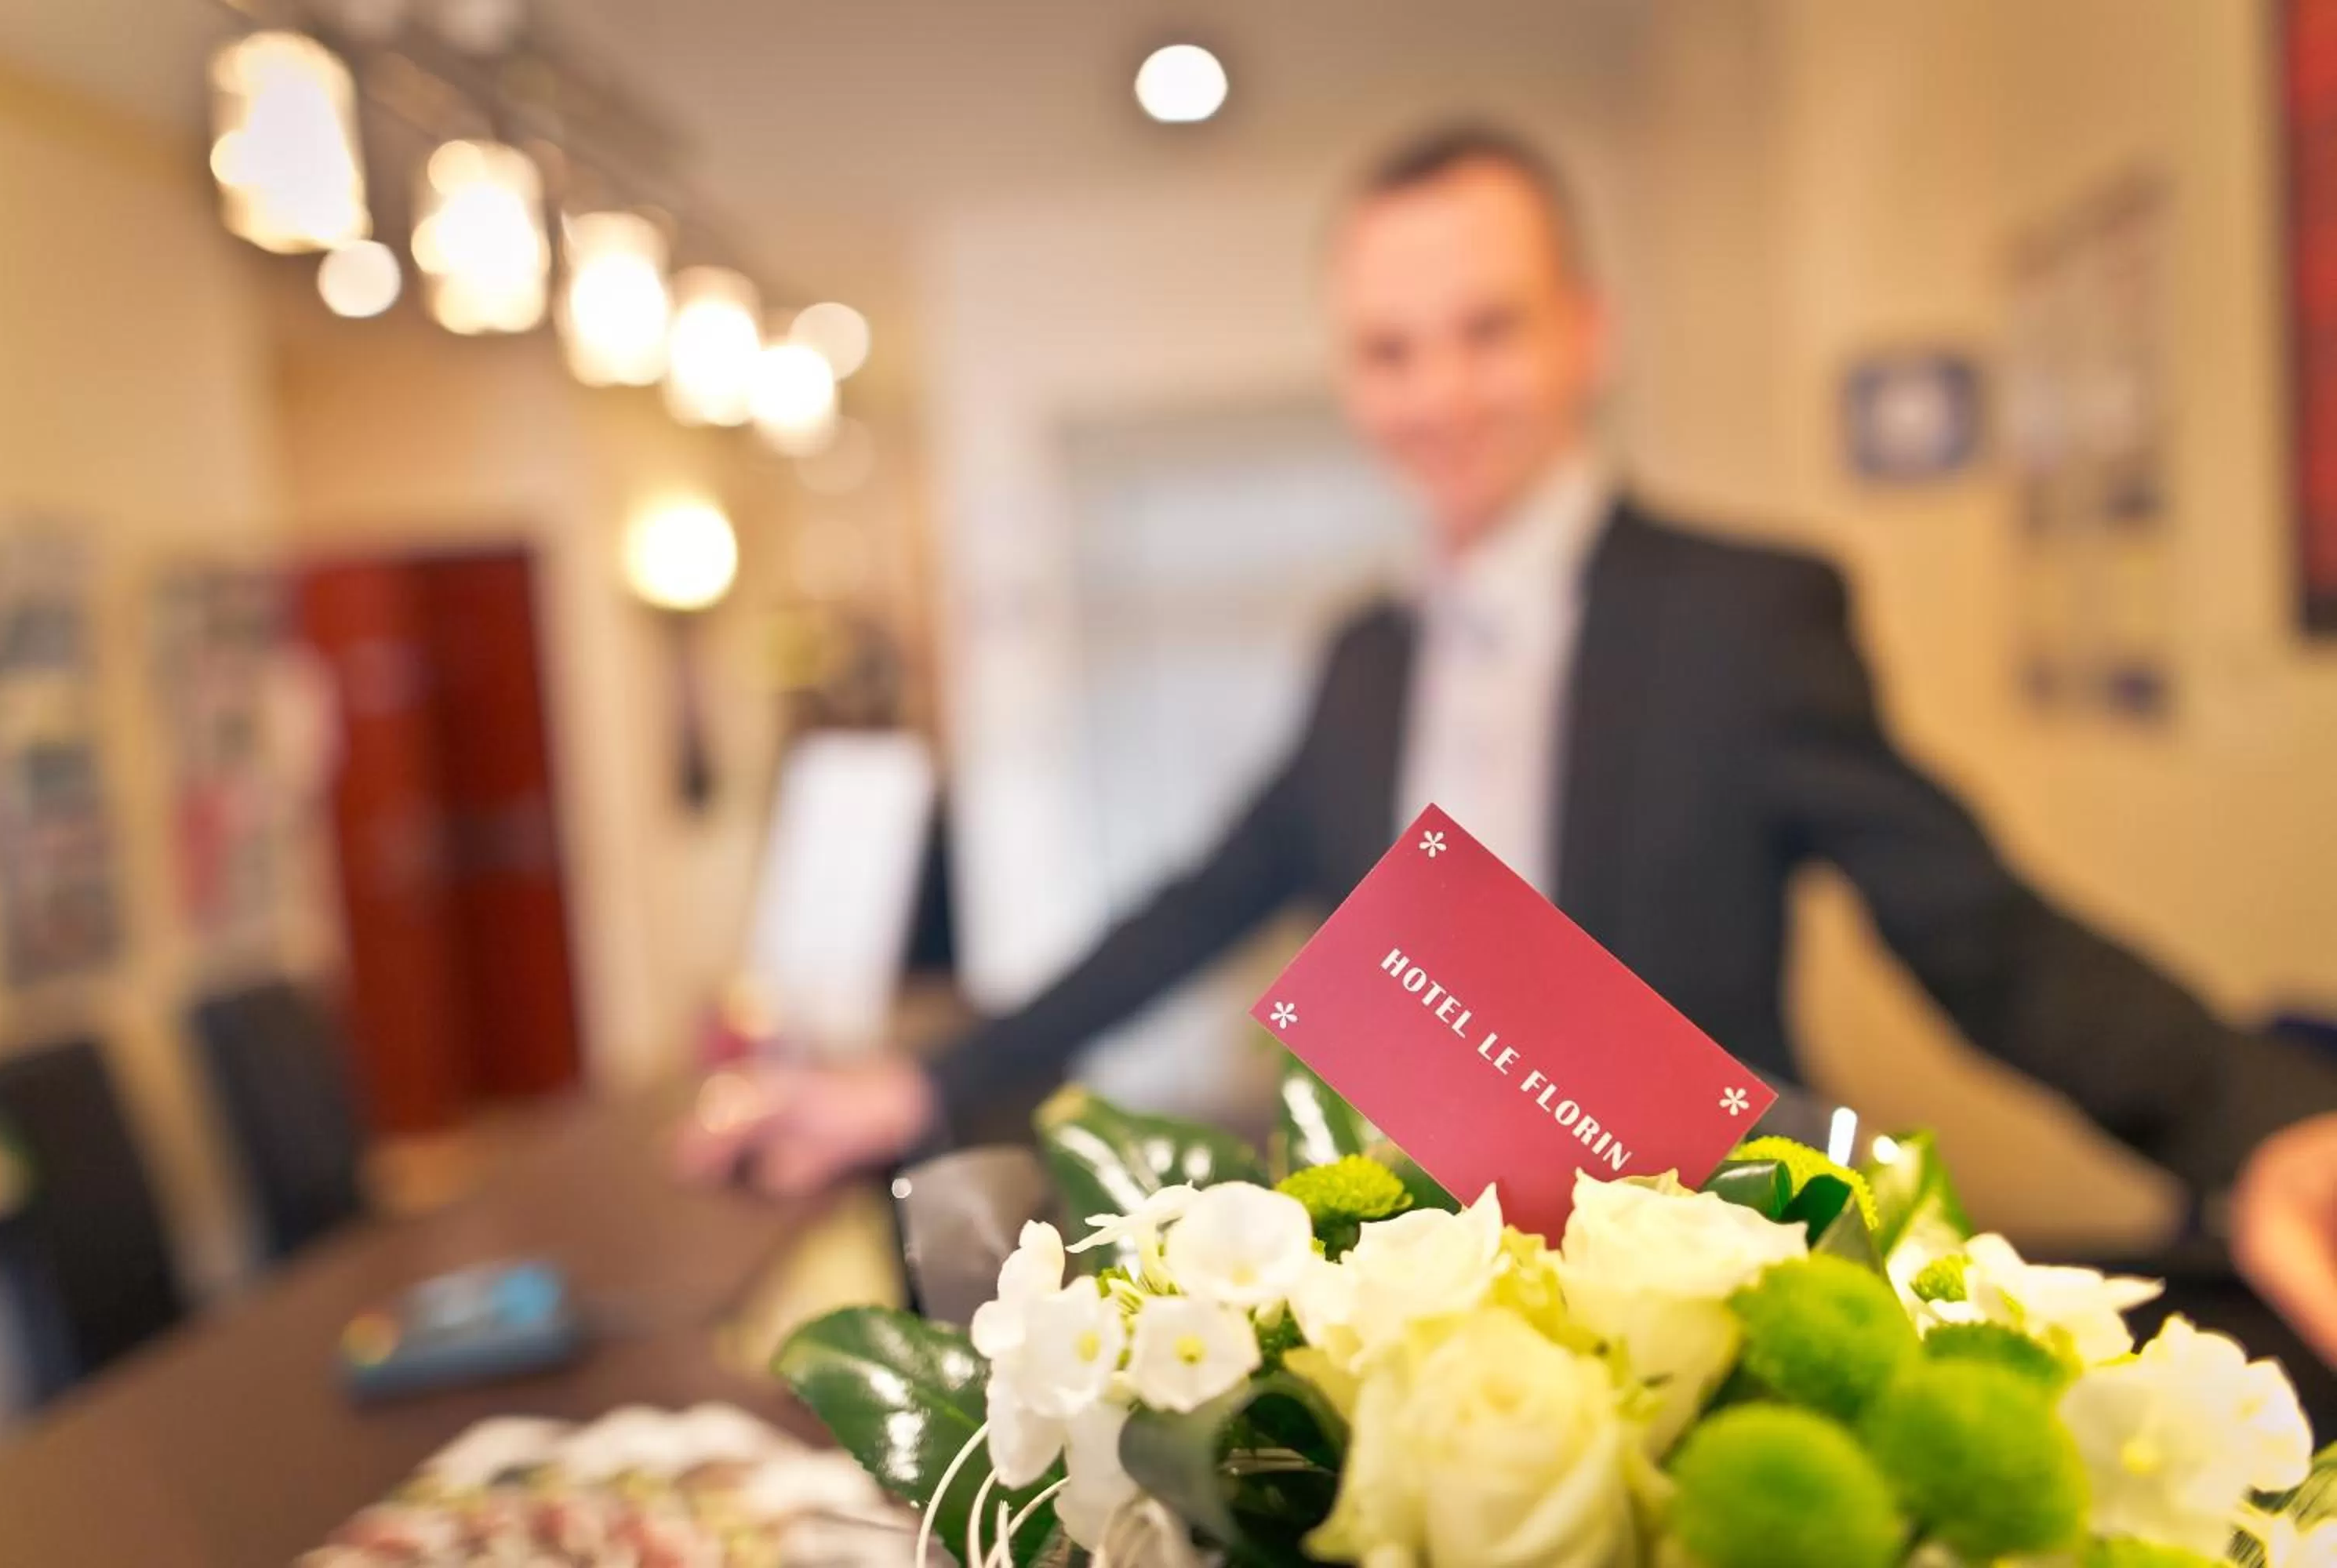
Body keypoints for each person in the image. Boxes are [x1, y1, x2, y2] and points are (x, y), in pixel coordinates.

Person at [728, 125, 2337, 1367]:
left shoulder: (1747, 612)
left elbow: (1977, 926)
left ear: (1587, 329)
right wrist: (919, 1084)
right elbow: (1195, 903)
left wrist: (2257, 1120)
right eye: (1387, 347)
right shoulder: (1361, 661)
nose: (1437, 393)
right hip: (1416, 1316)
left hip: (1723, 1289)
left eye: (1486, 328)